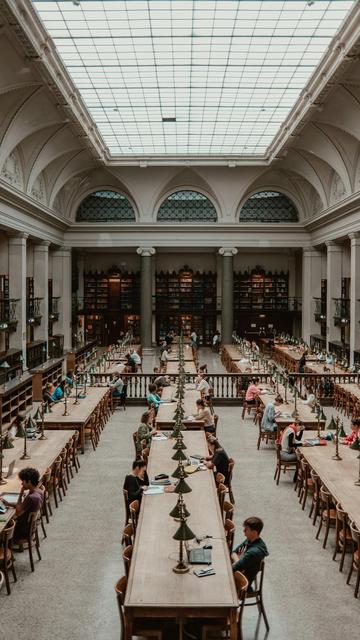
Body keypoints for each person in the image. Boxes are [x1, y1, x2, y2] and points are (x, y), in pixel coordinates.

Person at [1, 467, 44, 543]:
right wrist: (8, 504)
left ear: (29, 482)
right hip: (30, 528)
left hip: (23, 532)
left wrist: (21, 493)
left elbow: (18, 512)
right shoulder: (39, 491)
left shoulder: (31, 498)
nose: (21, 484)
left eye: (23, 481)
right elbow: (23, 507)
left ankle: (7, 548)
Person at [231, 516, 269, 587]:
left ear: (254, 532)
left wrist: (237, 562)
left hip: (241, 584)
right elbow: (234, 552)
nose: (243, 531)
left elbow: (233, 568)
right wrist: (238, 561)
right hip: (237, 574)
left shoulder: (254, 552)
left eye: (246, 529)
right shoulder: (250, 539)